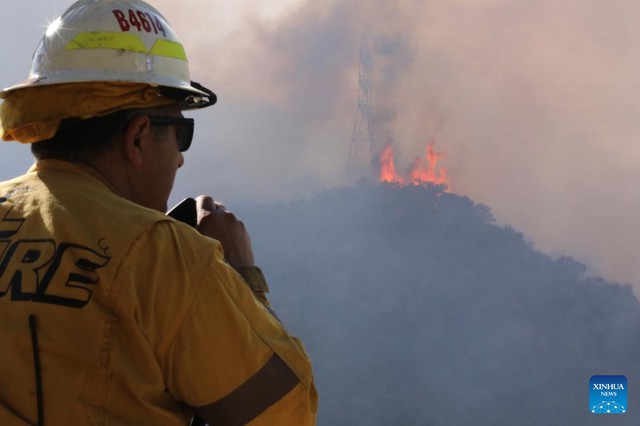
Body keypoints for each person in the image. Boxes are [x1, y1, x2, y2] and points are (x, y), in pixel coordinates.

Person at [0, 1, 318, 425]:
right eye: (181, 133)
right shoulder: (164, 253)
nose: (181, 160)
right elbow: (284, 415)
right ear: (138, 138)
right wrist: (242, 277)